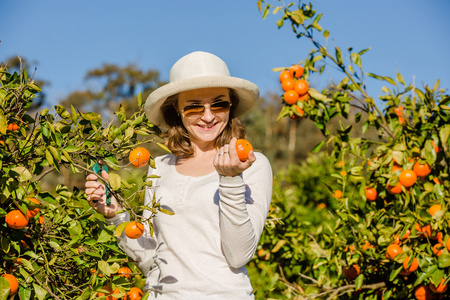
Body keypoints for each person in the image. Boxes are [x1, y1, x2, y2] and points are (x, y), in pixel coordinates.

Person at [85, 51, 273, 299]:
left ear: (231, 106)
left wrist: (230, 180)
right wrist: (115, 215)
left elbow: (239, 254)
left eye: (218, 104)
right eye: (194, 107)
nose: (208, 116)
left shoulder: (252, 165)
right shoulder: (159, 166)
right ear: (177, 111)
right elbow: (151, 259)